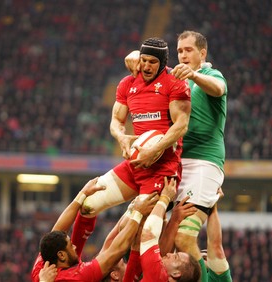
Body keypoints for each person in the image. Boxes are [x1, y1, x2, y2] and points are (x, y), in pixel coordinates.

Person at [125, 30, 230, 281]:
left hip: (204, 162)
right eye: (180, 50)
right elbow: (146, 62)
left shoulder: (209, 75)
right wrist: (134, 56)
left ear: (202, 53)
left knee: (184, 237)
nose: (183, 55)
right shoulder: (172, 78)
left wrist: (194, 74)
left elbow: (219, 89)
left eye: (189, 50)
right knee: (145, 226)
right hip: (175, 163)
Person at [80, 37, 191, 219]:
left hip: (162, 168)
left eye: (153, 62)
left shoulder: (175, 82)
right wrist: (121, 137)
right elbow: (116, 119)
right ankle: (72, 247)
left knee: (139, 229)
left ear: (162, 63)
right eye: (144, 61)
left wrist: (154, 149)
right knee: (87, 204)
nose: (147, 67)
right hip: (137, 163)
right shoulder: (127, 83)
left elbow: (181, 125)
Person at [31, 177, 158, 282]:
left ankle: (86, 216)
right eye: (70, 245)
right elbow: (116, 250)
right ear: (61, 255)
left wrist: (82, 194)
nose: (74, 247)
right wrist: (138, 213)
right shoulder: (78, 277)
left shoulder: (42, 269)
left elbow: (57, 230)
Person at [139, 177, 201, 282]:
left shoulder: (157, 277)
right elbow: (159, 256)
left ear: (176, 274)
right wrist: (174, 221)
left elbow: (148, 234)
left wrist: (165, 198)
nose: (169, 254)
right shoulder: (161, 276)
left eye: (175, 257)